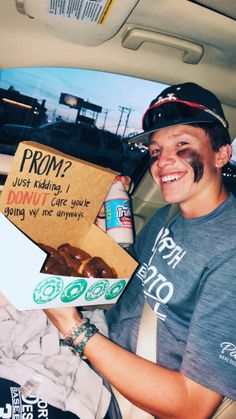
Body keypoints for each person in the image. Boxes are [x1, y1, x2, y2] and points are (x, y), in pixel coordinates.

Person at [45, 82, 236, 418]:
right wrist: (96, 229)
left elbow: (192, 405)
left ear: (221, 154)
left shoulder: (229, 251)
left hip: (123, 401)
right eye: (155, 151)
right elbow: (118, 287)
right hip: (94, 350)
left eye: (181, 145)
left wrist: (73, 328)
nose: (163, 162)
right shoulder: (168, 215)